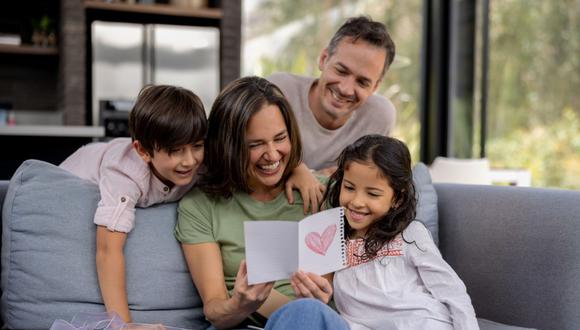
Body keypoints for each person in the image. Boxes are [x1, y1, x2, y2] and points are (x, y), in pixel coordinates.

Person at [174, 76, 347, 329]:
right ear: (228, 146)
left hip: (313, 321)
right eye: (255, 144)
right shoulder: (200, 206)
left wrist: (321, 297)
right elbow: (215, 311)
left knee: (308, 312)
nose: (273, 155)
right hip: (241, 325)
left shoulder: (318, 191)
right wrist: (240, 304)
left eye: (280, 138)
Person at [60, 84, 207, 323]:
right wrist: (124, 326)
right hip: (76, 171)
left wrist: (292, 170)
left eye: (197, 146)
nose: (190, 160)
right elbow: (108, 250)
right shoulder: (125, 172)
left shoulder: (200, 163)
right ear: (143, 151)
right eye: (175, 151)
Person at [313, 134, 479, 329]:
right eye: (349, 187)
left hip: (422, 323)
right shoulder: (333, 238)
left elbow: (450, 290)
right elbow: (321, 296)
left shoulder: (410, 234)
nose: (356, 202)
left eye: (373, 194)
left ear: (397, 199)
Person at [268, 16, 397, 175]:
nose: (346, 89)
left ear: (375, 86)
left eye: (362, 82)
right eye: (341, 71)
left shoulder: (379, 117)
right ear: (324, 59)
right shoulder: (279, 91)